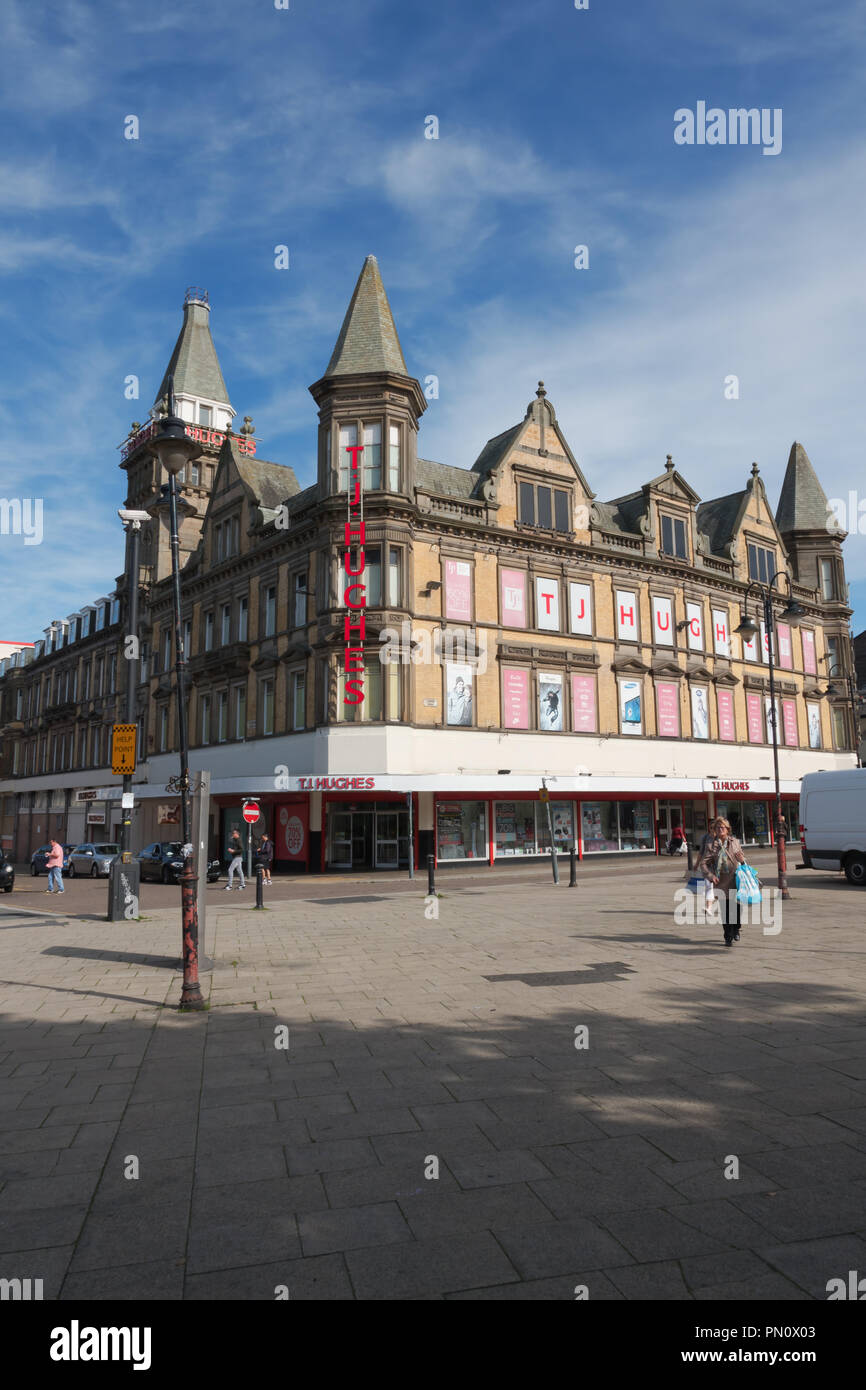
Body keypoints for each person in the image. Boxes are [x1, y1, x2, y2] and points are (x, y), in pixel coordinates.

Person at [698, 816, 746, 947]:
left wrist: (742, 860)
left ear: (727, 829)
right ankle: (728, 936)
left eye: (722, 827)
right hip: (721, 881)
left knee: (736, 908)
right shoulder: (711, 844)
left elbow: (742, 859)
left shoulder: (735, 842)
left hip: (736, 880)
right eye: (718, 827)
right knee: (725, 910)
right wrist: (710, 875)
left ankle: (736, 928)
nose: (720, 829)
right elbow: (703, 864)